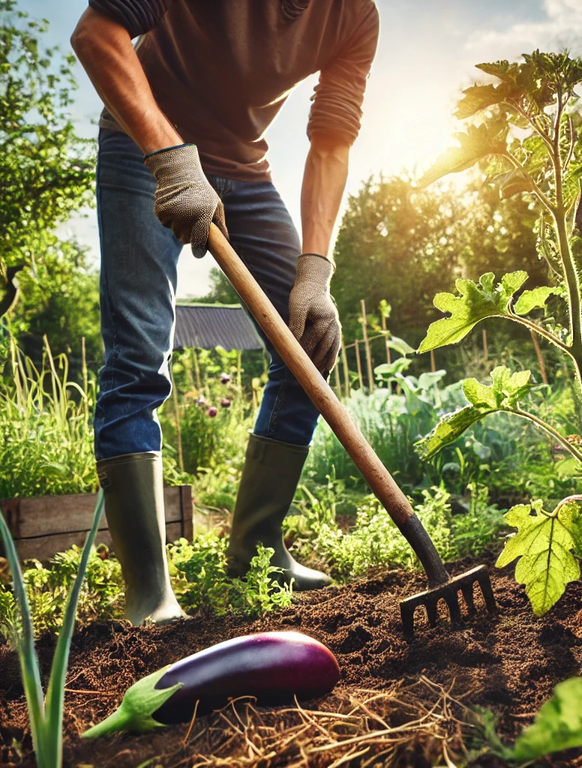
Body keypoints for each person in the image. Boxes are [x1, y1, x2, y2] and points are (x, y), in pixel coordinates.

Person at [70, 0, 379, 625]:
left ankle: (256, 549)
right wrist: (169, 156)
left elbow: (332, 139)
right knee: (138, 353)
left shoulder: (355, 16)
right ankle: (149, 594)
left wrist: (315, 270)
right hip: (142, 145)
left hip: (244, 169)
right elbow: (96, 33)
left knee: (308, 343)